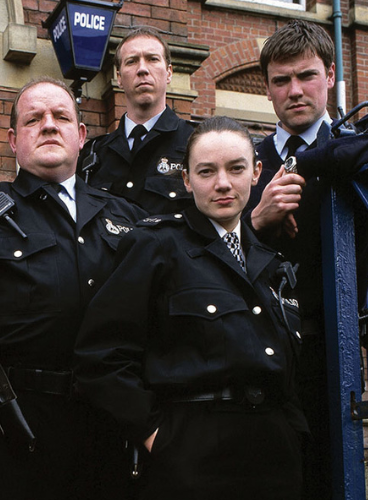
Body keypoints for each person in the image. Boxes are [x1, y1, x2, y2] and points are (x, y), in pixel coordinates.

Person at [0, 77, 146, 499]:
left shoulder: (127, 217)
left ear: (80, 136)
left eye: (61, 117)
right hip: (18, 421)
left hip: (111, 419)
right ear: (12, 140)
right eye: (33, 119)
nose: (49, 125)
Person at [246, 19, 368, 499]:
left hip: (334, 347)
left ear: (330, 75)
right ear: (267, 88)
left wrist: (306, 162)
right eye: (281, 80)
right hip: (255, 345)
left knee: (330, 478)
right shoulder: (248, 161)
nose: (295, 91)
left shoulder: (360, 138)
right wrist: (257, 219)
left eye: (306, 76)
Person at [75, 116, 306, 499]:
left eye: (236, 169)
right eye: (206, 171)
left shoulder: (272, 261)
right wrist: (156, 437)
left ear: (256, 173)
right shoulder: (156, 246)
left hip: (274, 454)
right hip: (193, 451)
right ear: (186, 180)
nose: (222, 184)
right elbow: (100, 357)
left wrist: (292, 431)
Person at [77, 27, 195, 214]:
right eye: (131, 61)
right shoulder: (93, 155)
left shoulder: (195, 144)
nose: (142, 69)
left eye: (152, 59)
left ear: (169, 72)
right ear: (119, 78)